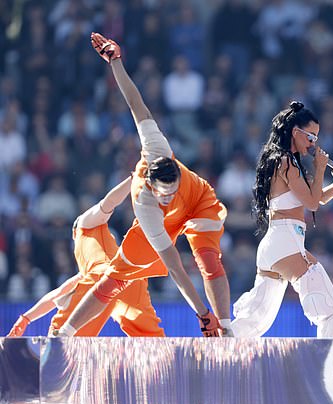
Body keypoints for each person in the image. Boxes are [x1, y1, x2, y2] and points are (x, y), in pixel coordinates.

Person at [55, 33, 230, 337]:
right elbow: (174, 267)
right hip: (162, 223)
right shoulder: (146, 206)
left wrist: (116, 62)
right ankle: (64, 335)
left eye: (173, 189)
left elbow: (136, 103)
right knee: (114, 279)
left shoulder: (156, 147)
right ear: (152, 187)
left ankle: (226, 331)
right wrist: (202, 314)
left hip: (199, 198)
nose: (170, 196)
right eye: (166, 195)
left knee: (208, 258)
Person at [231, 101, 333, 338]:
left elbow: (318, 197)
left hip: (281, 243)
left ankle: (214, 349)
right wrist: (320, 168)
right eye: (311, 136)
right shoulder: (286, 162)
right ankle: (331, 367)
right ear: (295, 132)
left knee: (254, 321)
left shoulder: (285, 162)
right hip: (285, 241)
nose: (314, 143)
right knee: (329, 310)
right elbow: (313, 203)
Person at [7, 177, 164, 337]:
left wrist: (133, 178)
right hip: (131, 281)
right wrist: (26, 318)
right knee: (154, 342)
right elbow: (58, 294)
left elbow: (109, 202)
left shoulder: (84, 222)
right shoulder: (88, 259)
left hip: (103, 279)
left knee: (61, 342)